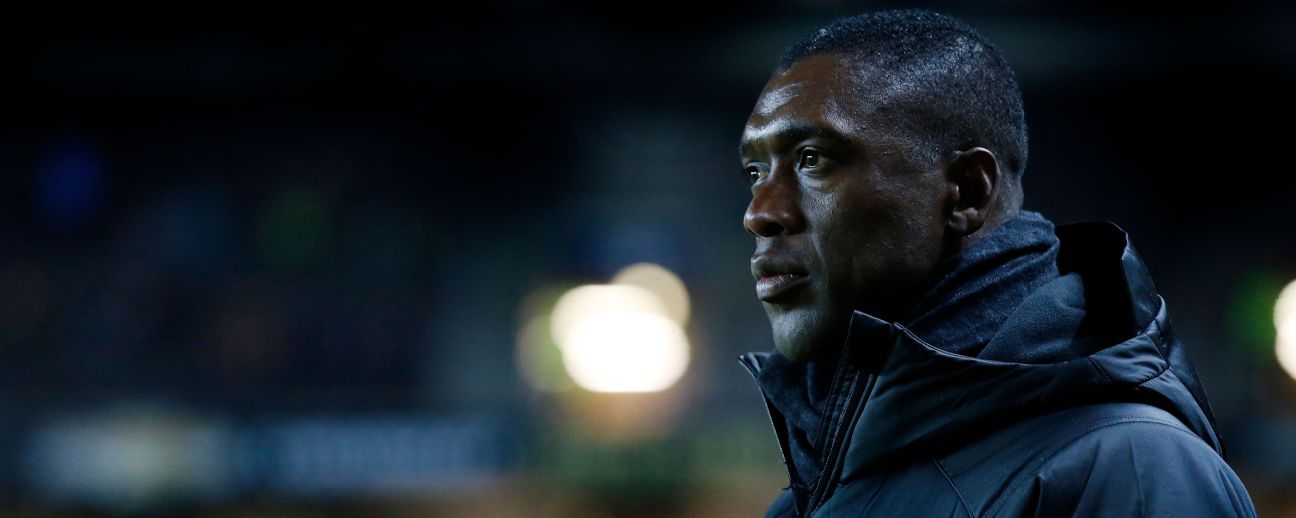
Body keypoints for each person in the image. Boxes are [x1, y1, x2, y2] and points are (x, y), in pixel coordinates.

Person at [737, 9, 1256, 517]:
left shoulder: (1132, 469)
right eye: (755, 172)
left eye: (812, 159)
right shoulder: (805, 498)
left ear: (966, 191)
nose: (760, 213)